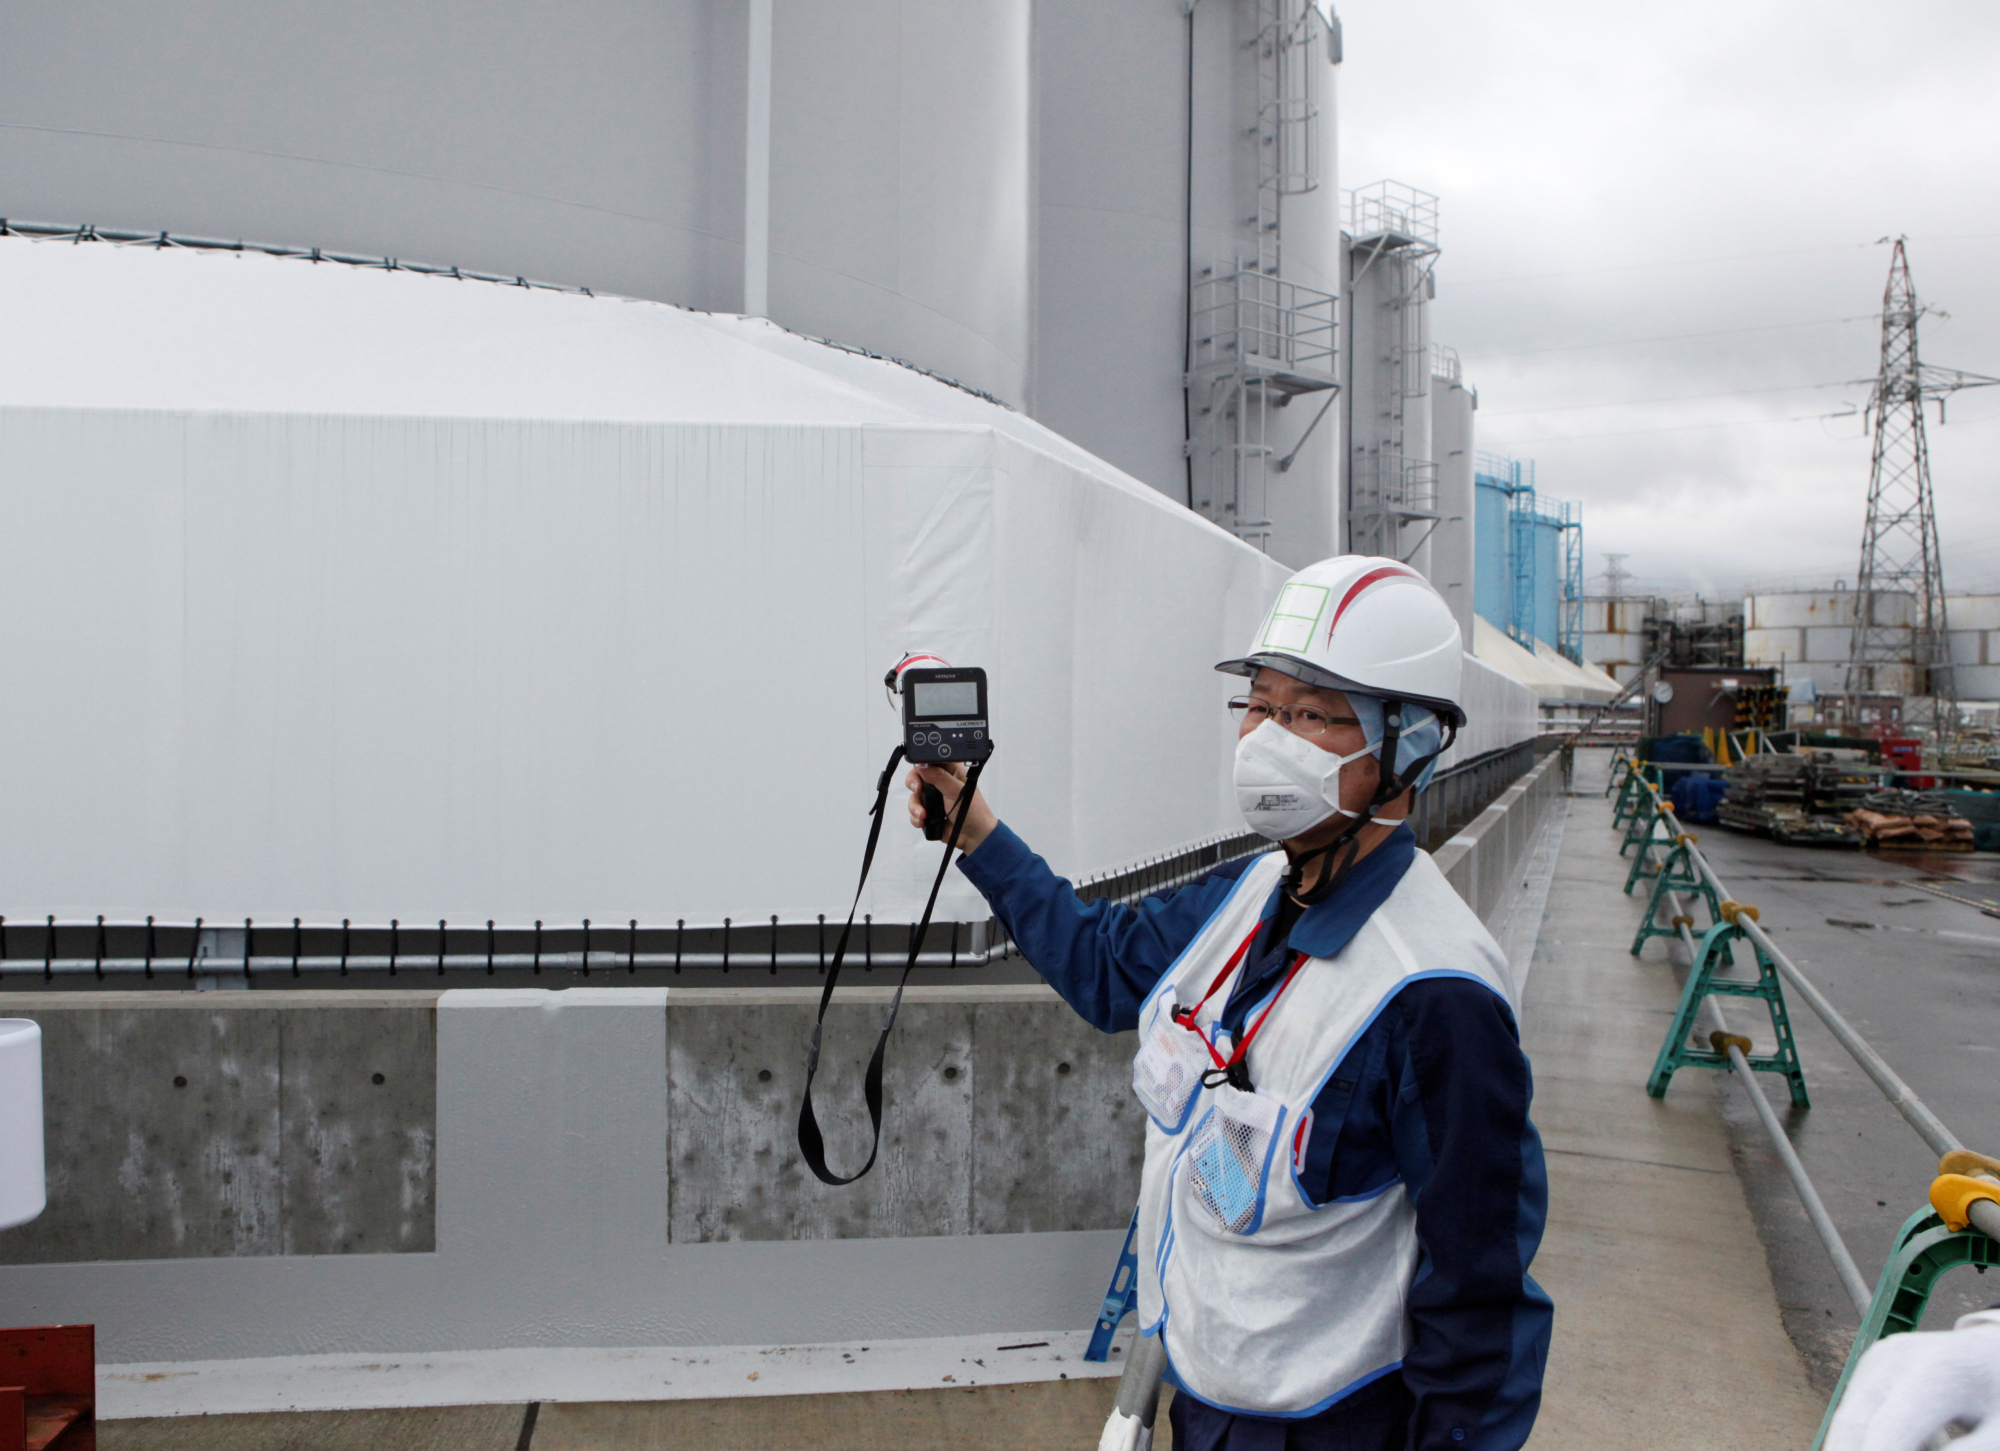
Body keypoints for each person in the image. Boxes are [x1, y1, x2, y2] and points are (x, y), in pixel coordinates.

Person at [906, 556, 1551, 1451]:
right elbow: (1100, 965)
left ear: (1407, 743)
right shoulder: (1249, 893)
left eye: (1310, 713)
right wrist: (974, 825)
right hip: (1202, 1406)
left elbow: (1480, 1296)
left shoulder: (1435, 994)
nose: (1265, 737)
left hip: (1335, 1429)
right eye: (1260, 704)